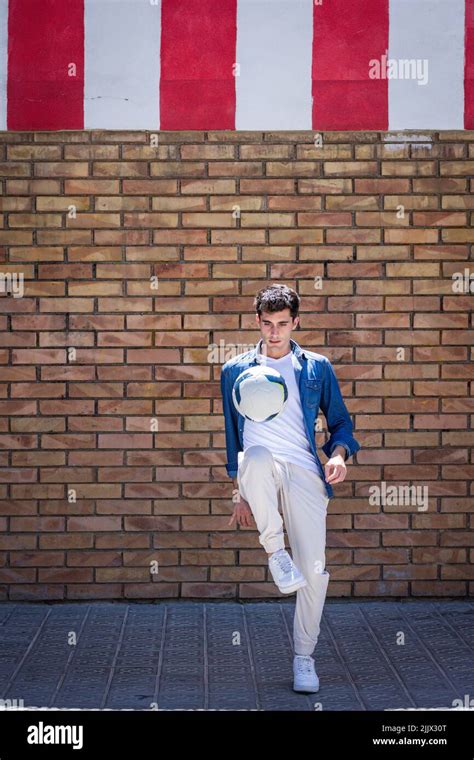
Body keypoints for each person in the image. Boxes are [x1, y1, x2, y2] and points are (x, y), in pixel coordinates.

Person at [220, 283, 361, 693]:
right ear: (257, 323)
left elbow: (341, 424)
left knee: (315, 572)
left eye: (283, 324)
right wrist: (240, 492)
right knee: (257, 458)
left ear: (295, 322)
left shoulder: (316, 367)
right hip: (260, 468)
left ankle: (304, 657)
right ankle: (276, 552)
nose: (275, 332)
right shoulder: (235, 370)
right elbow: (235, 440)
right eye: (268, 324)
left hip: (303, 471)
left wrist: (337, 455)